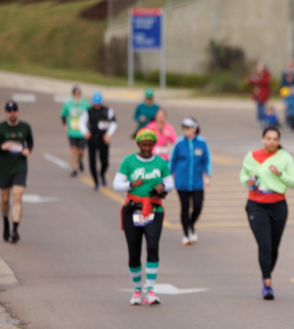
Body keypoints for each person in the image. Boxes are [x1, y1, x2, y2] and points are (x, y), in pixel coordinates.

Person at [113, 128, 174, 306]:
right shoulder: (129, 161)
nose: (147, 147)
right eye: (144, 144)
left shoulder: (160, 163)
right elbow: (116, 184)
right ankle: (137, 290)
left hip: (154, 209)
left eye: (150, 144)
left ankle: (151, 290)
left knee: (153, 246)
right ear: (138, 144)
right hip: (133, 210)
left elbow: (170, 182)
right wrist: (131, 184)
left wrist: (163, 187)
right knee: (134, 251)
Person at [240, 125, 294, 300]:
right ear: (263, 139)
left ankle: (266, 272)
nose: (272, 142)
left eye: (275, 139)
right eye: (268, 138)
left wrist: (280, 173)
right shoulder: (251, 156)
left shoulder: (285, 157)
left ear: (279, 141)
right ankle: (267, 283)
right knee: (264, 245)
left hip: (278, 205)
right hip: (256, 205)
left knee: (274, 248)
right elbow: (242, 176)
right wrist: (248, 181)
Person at [0, 101, 34, 244]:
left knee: (17, 196)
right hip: (4, 167)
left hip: (20, 167)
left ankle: (15, 229)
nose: (12, 114)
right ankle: (5, 223)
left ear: (18, 111)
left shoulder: (25, 127)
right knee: (5, 199)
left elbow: (30, 142)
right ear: (5, 113)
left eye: (14, 111)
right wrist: (1, 146)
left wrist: (28, 150)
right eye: (10, 111)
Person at [169, 117, 212, 246]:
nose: (186, 131)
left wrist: (207, 175)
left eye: (188, 128)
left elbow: (207, 160)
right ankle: (186, 234)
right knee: (185, 207)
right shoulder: (179, 143)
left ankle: (191, 224)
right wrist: (167, 177)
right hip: (181, 182)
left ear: (195, 128)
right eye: (184, 128)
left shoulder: (202, 142)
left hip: (197, 182)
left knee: (198, 206)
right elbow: (172, 161)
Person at [80, 91, 117, 190]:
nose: (97, 105)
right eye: (95, 103)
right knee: (92, 162)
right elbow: (81, 123)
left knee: (105, 161)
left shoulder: (107, 110)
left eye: (99, 103)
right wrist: (85, 132)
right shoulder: (88, 111)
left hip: (103, 139)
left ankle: (102, 174)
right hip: (92, 139)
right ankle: (96, 182)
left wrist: (108, 135)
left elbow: (113, 123)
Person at [60, 86, 90, 177]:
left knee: (81, 151)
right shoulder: (68, 104)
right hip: (72, 131)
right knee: (73, 150)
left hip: (82, 131)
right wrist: (65, 124)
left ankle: (80, 160)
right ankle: (75, 168)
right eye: (75, 94)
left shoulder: (85, 104)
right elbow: (63, 114)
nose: (77, 95)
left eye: (79, 93)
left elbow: (91, 114)